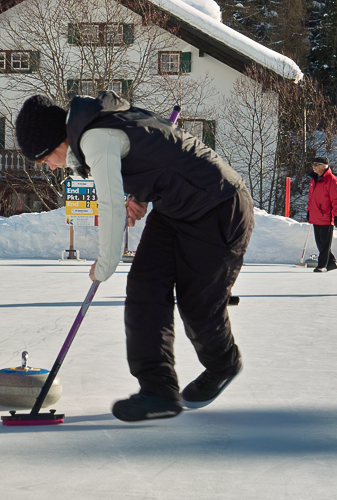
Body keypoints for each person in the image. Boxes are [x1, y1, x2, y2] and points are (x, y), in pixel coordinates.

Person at [15, 92, 254, 422]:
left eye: (46, 160)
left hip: (220, 204)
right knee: (144, 286)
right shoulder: (101, 124)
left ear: (57, 141)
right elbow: (154, 156)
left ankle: (224, 363)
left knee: (198, 304)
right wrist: (140, 194)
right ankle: (158, 391)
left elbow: (110, 207)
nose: (52, 167)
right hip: (176, 207)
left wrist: (106, 263)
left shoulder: (96, 138)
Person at [307, 156, 337, 273]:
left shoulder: (332, 180)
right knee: (320, 243)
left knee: (325, 244)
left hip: (327, 216)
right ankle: (332, 262)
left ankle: (322, 265)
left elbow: (336, 199)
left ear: (324, 166)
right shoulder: (314, 179)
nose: (313, 167)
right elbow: (311, 198)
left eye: (316, 164)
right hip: (316, 215)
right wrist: (309, 211)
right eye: (313, 164)